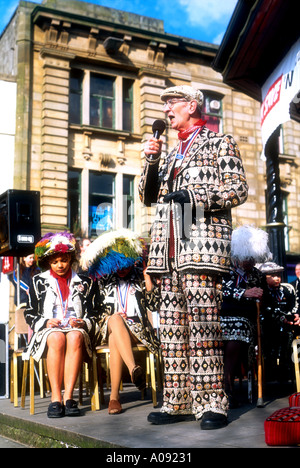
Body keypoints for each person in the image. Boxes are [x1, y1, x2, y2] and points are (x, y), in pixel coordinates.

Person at [139, 85, 248, 429]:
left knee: (203, 328)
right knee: (171, 331)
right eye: (166, 105)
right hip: (167, 250)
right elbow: (146, 195)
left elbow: (238, 188)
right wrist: (152, 158)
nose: (167, 110)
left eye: (172, 103)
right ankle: (177, 401)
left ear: (191, 105)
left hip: (201, 246)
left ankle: (212, 402)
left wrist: (197, 195)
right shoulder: (169, 154)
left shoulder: (219, 141)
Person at [80, 228, 160, 415]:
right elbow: (94, 310)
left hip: (137, 329)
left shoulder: (139, 276)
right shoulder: (102, 279)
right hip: (107, 328)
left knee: (116, 332)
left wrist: (148, 278)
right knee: (115, 322)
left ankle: (114, 398)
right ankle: (133, 370)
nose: (123, 269)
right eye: (120, 264)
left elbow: (154, 305)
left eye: (127, 264)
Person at [23, 232, 100, 418]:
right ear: (49, 261)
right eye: (56, 261)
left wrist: (84, 322)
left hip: (76, 329)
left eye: (64, 260)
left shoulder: (86, 282)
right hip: (48, 330)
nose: (60, 265)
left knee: (74, 336)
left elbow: (97, 311)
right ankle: (55, 398)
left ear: (71, 259)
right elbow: (29, 312)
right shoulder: (37, 281)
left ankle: (69, 397)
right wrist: (46, 321)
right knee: (57, 337)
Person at [220, 225, 270, 408]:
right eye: (245, 258)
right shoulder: (224, 271)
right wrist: (244, 293)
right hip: (222, 316)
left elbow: (267, 302)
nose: (249, 262)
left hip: (246, 320)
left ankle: (227, 386)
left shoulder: (258, 275)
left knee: (238, 328)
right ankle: (224, 385)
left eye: (252, 258)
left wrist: (262, 296)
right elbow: (220, 291)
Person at [257, 261, 300, 383]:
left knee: (289, 346)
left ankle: (288, 371)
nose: (277, 278)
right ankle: (271, 372)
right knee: (269, 347)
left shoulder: (289, 288)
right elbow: (265, 310)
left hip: (288, 328)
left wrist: (295, 316)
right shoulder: (261, 292)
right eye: (273, 276)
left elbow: (295, 305)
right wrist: (281, 318)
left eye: (278, 275)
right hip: (269, 328)